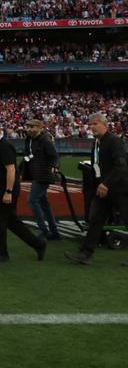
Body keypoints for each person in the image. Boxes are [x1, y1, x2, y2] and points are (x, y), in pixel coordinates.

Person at [64, 113, 128, 266]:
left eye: (95, 124)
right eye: (90, 124)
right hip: (104, 189)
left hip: (120, 189)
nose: (91, 127)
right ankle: (85, 253)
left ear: (104, 124)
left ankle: (86, 252)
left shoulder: (114, 141)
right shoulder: (97, 143)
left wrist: (106, 184)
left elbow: (121, 166)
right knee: (95, 220)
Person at [0, 118, 46, 263]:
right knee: (11, 221)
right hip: (0, 188)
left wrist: (8, 192)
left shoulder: (5, 146)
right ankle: (38, 244)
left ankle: (1, 253)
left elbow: (11, 170)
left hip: (6, 190)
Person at [23, 118, 60, 240]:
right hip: (37, 174)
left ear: (39, 128)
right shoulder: (30, 140)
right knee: (44, 203)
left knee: (32, 200)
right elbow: (28, 156)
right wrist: (20, 168)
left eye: (32, 127)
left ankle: (44, 230)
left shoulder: (45, 141)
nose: (29, 129)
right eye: (28, 127)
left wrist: (55, 166)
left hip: (44, 174)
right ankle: (54, 232)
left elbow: (54, 156)